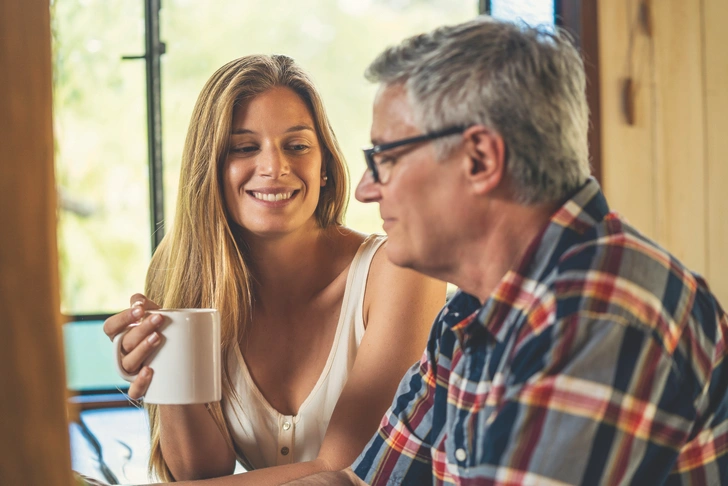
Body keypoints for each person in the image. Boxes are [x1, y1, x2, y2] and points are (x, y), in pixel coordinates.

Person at [287, 16, 728, 486]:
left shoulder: (599, 316)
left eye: (385, 159)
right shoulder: (469, 311)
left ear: (480, 159)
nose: (366, 190)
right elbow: (359, 483)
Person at [101, 54, 445, 485]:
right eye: (245, 148)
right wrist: (164, 371)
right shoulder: (182, 275)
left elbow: (349, 472)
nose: (274, 167)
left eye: (297, 146)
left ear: (324, 167)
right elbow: (200, 471)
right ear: (209, 169)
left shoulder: (401, 270)